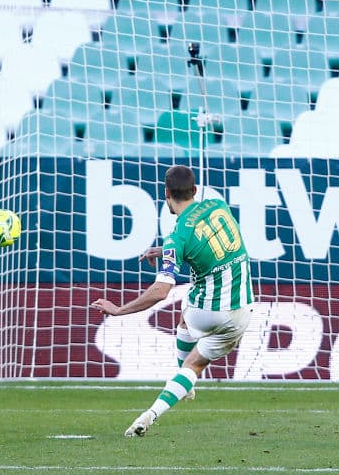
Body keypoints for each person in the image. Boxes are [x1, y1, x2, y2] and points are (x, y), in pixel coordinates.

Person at [91, 165, 255, 437]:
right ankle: (166, 399)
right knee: (197, 362)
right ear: (194, 190)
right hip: (243, 310)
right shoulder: (218, 204)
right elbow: (206, 239)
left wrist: (119, 310)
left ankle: (172, 390)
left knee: (186, 312)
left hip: (208, 311)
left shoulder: (176, 237)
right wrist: (169, 253)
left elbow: (160, 291)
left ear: (165, 193)